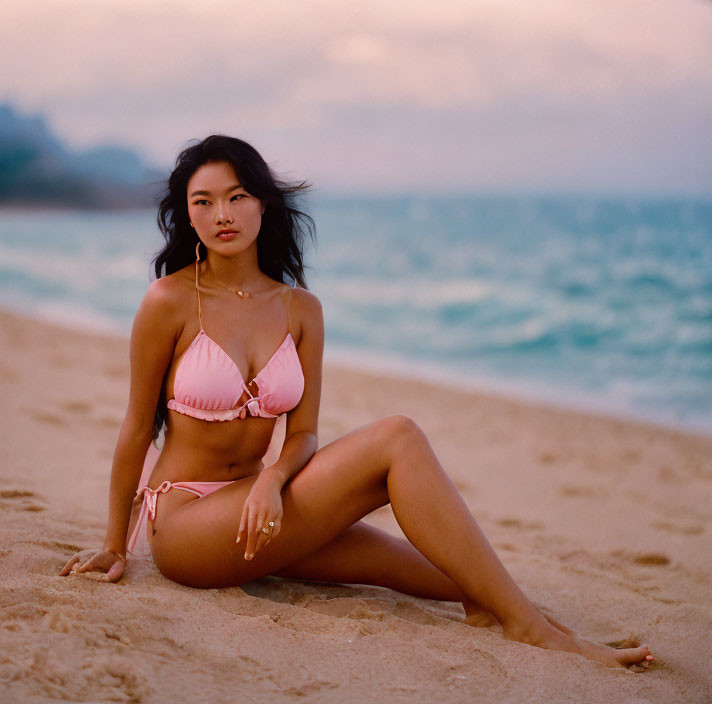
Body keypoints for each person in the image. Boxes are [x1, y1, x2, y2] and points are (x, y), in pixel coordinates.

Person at [60, 135, 653, 669]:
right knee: (397, 436)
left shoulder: (300, 310)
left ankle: (514, 613)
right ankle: (530, 629)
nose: (222, 215)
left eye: (237, 196)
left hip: (261, 508)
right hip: (187, 524)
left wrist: (273, 481)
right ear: (186, 214)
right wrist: (116, 545)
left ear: (264, 204)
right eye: (203, 201)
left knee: (453, 576)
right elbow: (136, 429)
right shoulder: (167, 301)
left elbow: (303, 434)